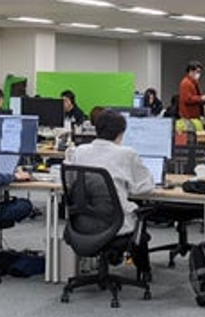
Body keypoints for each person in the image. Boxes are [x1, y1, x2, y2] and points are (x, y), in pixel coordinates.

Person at [64, 110, 155, 275]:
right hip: (114, 225)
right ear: (121, 133)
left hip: (81, 223)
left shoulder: (79, 151)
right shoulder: (127, 154)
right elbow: (144, 187)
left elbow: (70, 181)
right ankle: (144, 272)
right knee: (140, 215)